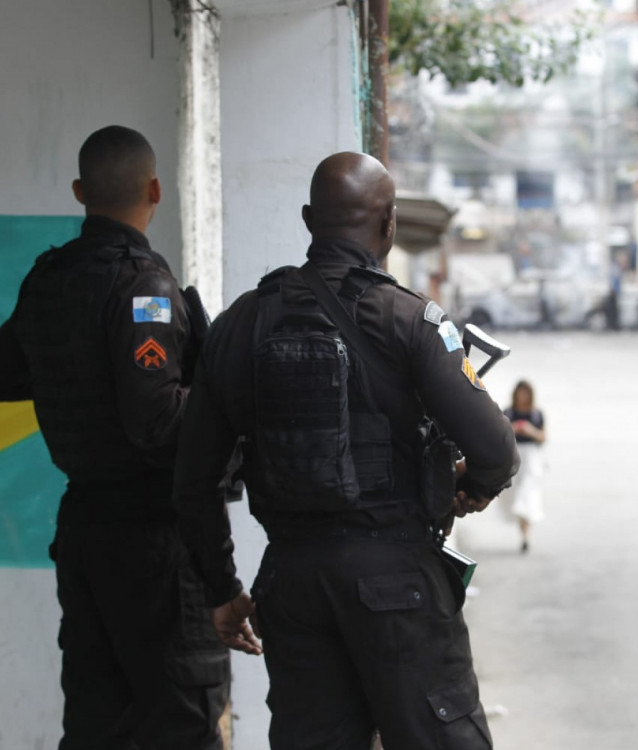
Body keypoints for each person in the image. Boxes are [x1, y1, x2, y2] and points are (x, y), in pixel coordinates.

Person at [173, 151, 519, 749]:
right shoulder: (411, 320)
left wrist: (224, 589)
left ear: (309, 220)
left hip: (292, 587)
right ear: (388, 225)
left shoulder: (239, 324)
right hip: (399, 584)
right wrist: (474, 485)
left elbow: (193, 479)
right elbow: (496, 449)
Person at [0, 126, 229, 749]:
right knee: (185, 721)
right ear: (156, 189)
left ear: (81, 191)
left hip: (83, 531)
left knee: (96, 723)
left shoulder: (49, 278)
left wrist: (77, 372)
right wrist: (221, 398)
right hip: (154, 539)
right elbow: (155, 423)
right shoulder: (146, 288)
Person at [502, 380, 546, 553]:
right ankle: (524, 532)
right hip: (514, 454)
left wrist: (529, 430)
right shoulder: (508, 412)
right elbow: (501, 434)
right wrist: (513, 429)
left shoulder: (536, 414)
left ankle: (526, 535)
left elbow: (543, 436)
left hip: (531, 457)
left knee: (527, 493)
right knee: (514, 492)